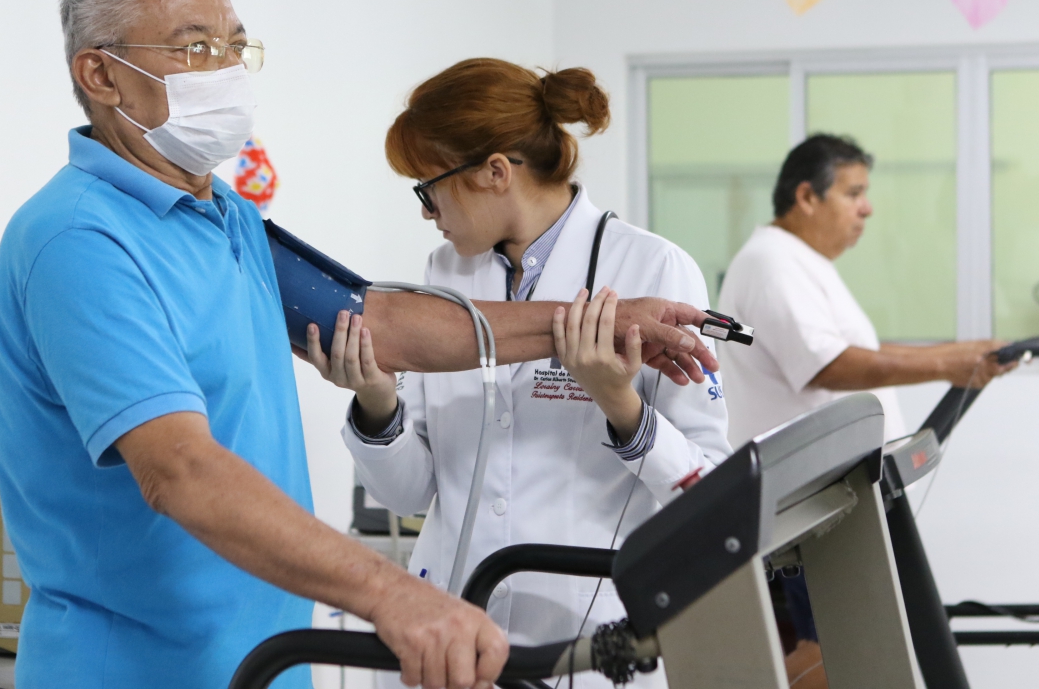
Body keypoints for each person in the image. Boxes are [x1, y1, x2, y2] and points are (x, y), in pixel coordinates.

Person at [0, 0, 720, 689]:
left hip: (263, 660)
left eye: (236, 46)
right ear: (101, 73)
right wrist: (394, 592)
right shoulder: (81, 241)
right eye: (194, 47)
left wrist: (607, 317)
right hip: (134, 670)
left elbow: (380, 323)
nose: (227, 70)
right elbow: (181, 470)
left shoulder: (222, 215)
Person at [305, 59, 732, 689]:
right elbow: (412, 493)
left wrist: (622, 408)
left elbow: (710, 493)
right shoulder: (446, 273)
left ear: (495, 173)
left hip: (586, 642)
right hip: (450, 633)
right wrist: (376, 402)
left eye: (429, 188)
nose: (427, 212)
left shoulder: (651, 270)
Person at [716, 133, 1015, 685]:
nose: (867, 208)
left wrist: (959, 358)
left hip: (837, 502)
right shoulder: (772, 263)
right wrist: (950, 364)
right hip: (812, 505)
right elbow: (830, 366)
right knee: (827, 651)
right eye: (854, 193)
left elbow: (864, 355)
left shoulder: (800, 262)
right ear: (807, 196)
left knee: (850, 649)